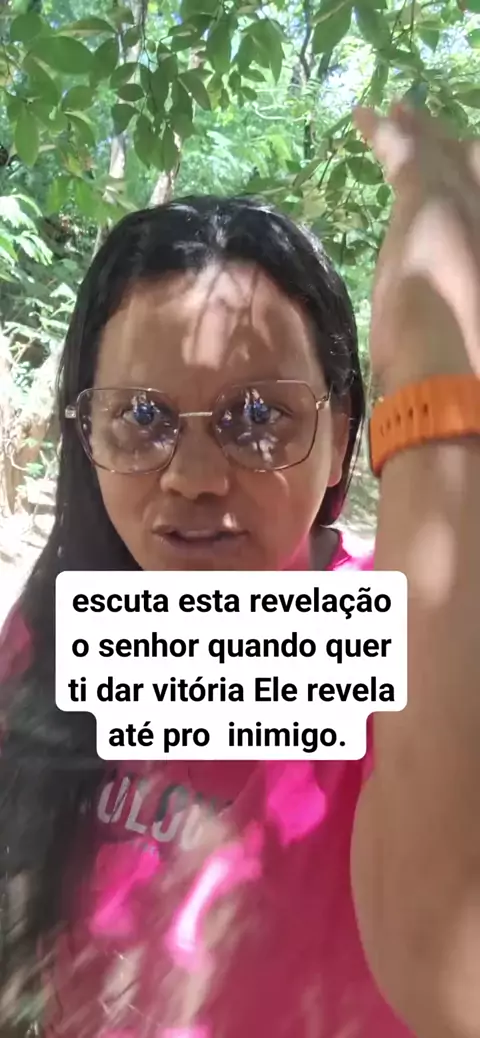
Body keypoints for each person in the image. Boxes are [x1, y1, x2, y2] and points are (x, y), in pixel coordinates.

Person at [0, 101, 479, 1038]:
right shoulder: (54, 631)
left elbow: (455, 972)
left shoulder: (405, 651)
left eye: (259, 416)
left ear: (342, 437)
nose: (192, 476)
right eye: (140, 417)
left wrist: (438, 360)